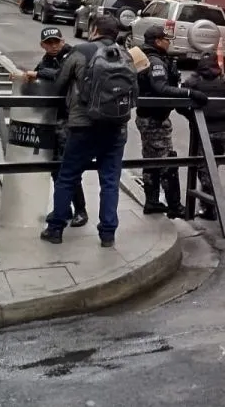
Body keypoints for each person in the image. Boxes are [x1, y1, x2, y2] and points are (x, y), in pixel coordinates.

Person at [39, 13, 134, 247]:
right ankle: (108, 234)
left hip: (83, 125)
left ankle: (56, 229)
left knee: (67, 177)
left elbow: (59, 82)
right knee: (110, 181)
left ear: (94, 30)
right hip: (116, 126)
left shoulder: (81, 51)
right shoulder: (126, 54)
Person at [135, 24, 208, 218]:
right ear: (158, 41)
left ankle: (152, 202)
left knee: (151, 160)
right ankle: (174, 206)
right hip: (154, 119)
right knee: (168, 162)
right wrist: (189, 93)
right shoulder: (155, 61)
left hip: (148, 116)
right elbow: (161, 88)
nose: (169, 42)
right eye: (166, 39)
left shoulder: (150, 57)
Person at [24, 26, 88, 228]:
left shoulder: (72, 56)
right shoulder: (45, 60)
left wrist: (38, 73)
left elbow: (62, 75)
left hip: (68, 119)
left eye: (56, 42)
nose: (53, 46)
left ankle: (80, 209)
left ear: (62, 41)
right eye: (48, 43)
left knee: (68, 166)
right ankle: (63, 207)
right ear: (42, 45)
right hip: (51, 118)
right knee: (55, 166)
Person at [181, 52, 225, 220]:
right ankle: (208, 203)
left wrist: (192, 116)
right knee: (213, 165)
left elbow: (180, 104)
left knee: (203, 168)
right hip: (222, 129)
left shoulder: (192, 82)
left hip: (201, 129)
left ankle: (209, 207)